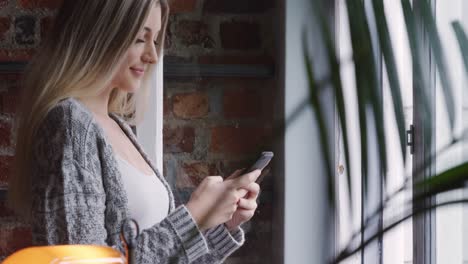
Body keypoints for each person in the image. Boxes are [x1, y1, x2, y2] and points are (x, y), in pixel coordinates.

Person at [7, 0, 261, 263]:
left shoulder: (118, 126)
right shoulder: (71, 123)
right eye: (141, 39)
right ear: (100, 34)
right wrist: (194, 216)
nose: (152, 56)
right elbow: (83, 261)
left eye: (155, 41)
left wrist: (219, 226)